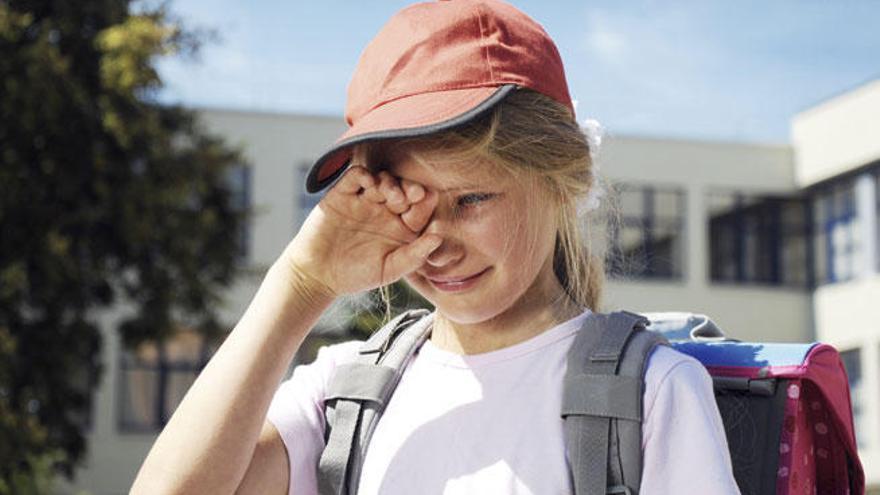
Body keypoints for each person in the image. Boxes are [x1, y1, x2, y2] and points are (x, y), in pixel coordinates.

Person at [131, 1, 741, 494]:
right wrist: (302, 285)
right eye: (408, 203)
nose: (437, 242)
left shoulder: (651, 393)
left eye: (471, 200)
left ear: (561, 182)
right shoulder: (346, 394)